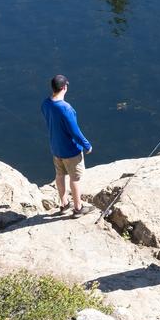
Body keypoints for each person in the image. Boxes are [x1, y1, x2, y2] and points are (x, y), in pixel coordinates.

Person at [42, 74, 93, 216]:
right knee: (75, 178)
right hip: (71, 150)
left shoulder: (46, 104)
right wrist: (87, 145)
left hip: (56, 148)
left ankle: (64, 204)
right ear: (64, 87)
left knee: (59, 175)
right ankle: (78, 208)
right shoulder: (66, 108)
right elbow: (75, 131)